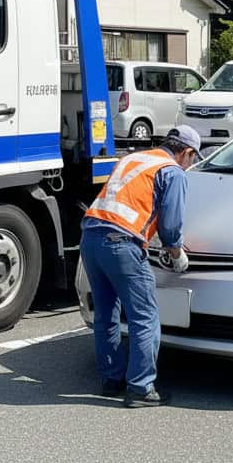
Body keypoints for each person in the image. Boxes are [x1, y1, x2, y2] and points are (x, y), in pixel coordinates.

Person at [80, 125, 202, 407]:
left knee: (106, 313)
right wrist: (177, 255)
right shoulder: (172, 172)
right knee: (144, 316)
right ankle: (140, 388)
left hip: (90, 236)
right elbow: (171, 227)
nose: (191, 164)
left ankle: (111, 379)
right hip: (121, 244)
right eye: (193, 159)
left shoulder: (133, 159)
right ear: (186, 152)